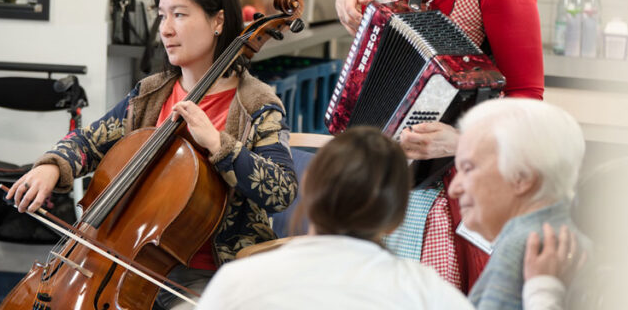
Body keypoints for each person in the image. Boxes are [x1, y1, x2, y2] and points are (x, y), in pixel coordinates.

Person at [7, 0, 297, 309]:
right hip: (122, 265)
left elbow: (282, 191)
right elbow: (88, 143)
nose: (166, 30)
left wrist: (220, 144)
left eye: (179, 15)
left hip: (207, 278)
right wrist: (51, 167)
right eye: (162, 16)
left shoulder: (256, 105)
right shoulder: (151, 94)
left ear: (218, 21)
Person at [335, 0, 543, 291]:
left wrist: (461, 141)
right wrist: (360, 8)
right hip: (393, 179)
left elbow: (530, 103)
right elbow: (395, 40)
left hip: (453, 192)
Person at [196, 126, 578, 310]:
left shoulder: (237, 281)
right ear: (396, 219)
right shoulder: (429, 293)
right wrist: (544, 289)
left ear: (308, 191)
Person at [450, 98, 588, 310]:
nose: (454, 188)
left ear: (521, 178)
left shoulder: (525, 245)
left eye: (468, 168)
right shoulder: (568, 232)